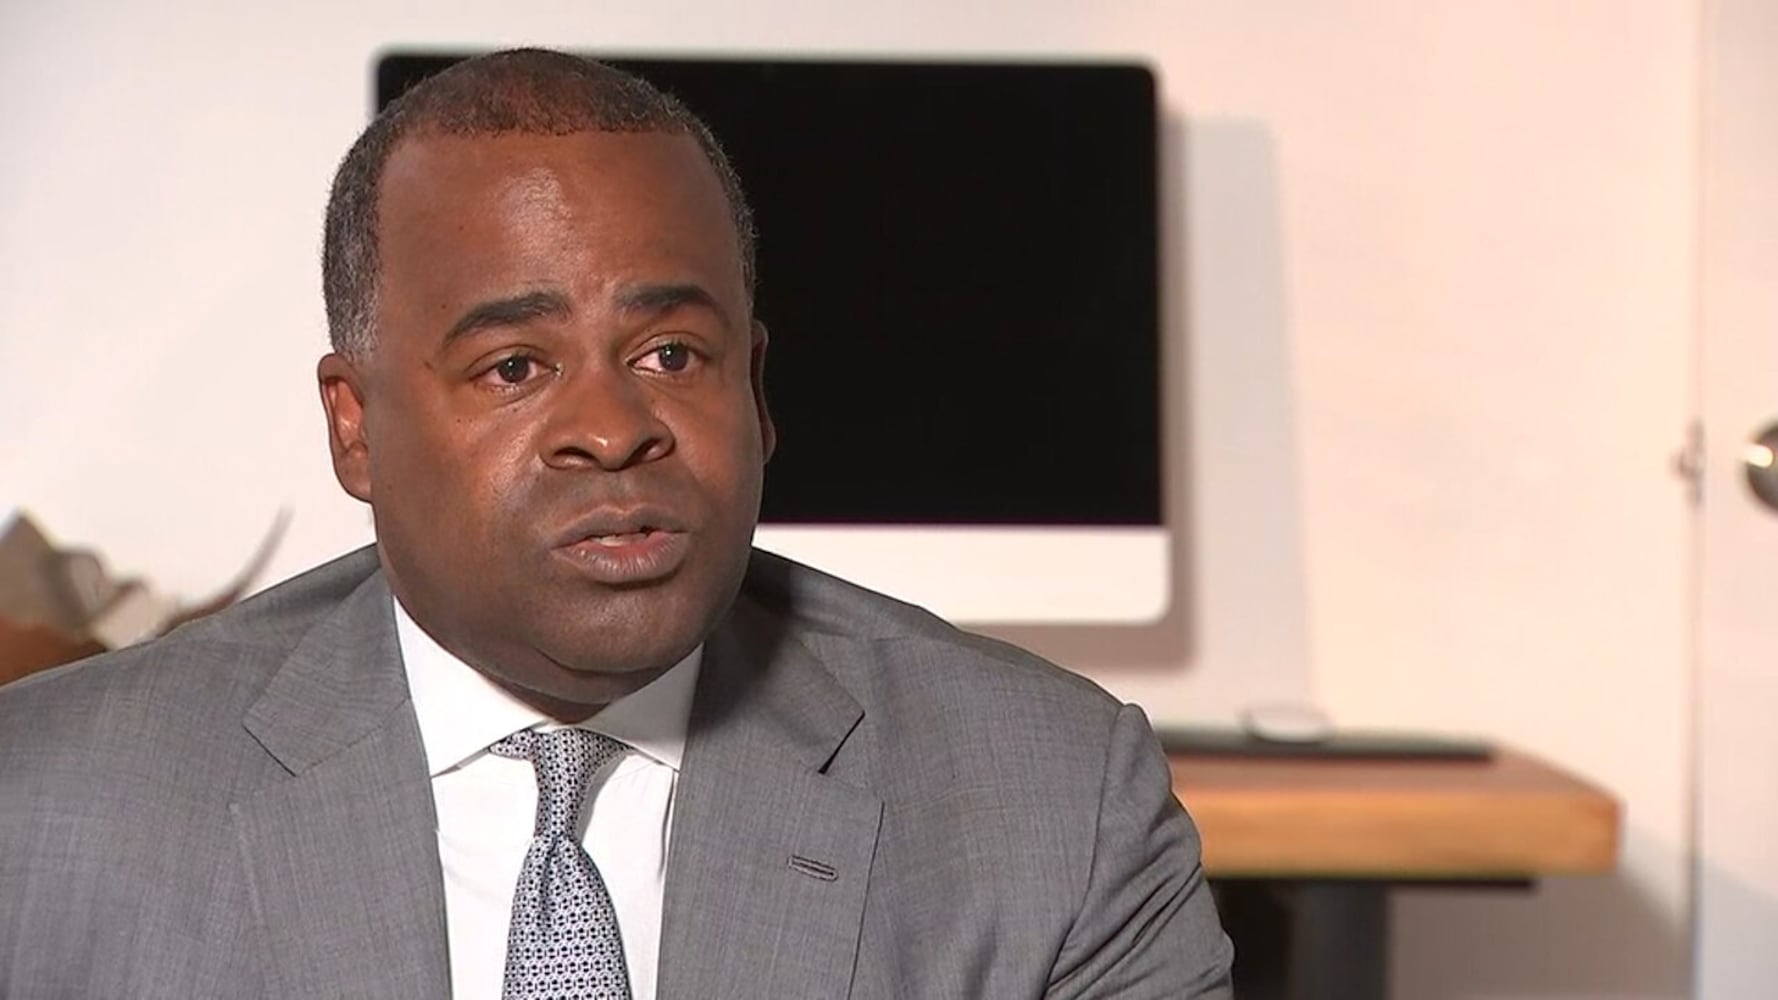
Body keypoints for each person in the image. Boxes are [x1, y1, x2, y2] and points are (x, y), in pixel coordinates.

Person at [0, 49, 1233, 998]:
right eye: (514, 366)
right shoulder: (47, 810)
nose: (610, 428)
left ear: (755, 389)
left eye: (669, 353)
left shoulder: (1052, 806)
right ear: (356, 426)